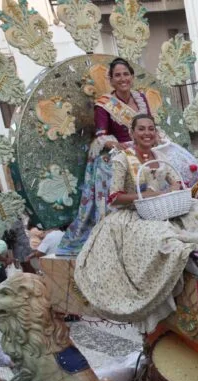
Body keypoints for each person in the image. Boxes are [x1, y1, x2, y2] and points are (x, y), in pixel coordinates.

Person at [74, 114, 198, 332]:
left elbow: (174, 181)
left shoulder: (159, 155)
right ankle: (167, 286)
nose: (147, 133)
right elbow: (114, 198)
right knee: (163, 241)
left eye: (151, 129)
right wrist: (143, 196)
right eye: (142, 129)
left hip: (165, 207)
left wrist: (174, 187)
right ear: (132, 133)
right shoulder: (122, 159)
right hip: (134, 215)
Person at [58, 57, 156, 255]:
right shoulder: (103, 105)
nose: (122, 79)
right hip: (120, 148)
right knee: (110, 169)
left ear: (132, 76)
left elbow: (149, 124)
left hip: (144, 142)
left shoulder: (141, 98)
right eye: (117, 75)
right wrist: (119, 145)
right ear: (111, 80)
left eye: (126, 74)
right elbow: (101, 136)